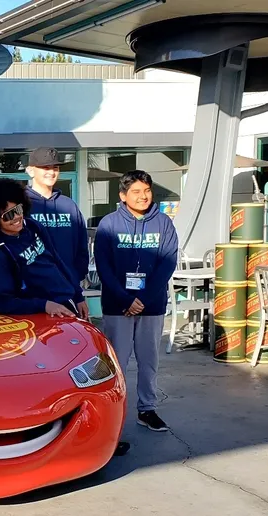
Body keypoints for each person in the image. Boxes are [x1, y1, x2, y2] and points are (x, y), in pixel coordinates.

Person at [93, 170, 178, 433]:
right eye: (136, 192)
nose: (143, 196)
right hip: (118, 305)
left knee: (149, 359)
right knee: (116, 361)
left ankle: (147, 409)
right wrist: (126, 298)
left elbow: (167, 263)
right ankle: (113, 413)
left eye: (147, 191)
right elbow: (103, 266)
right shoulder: (109, 224)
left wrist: (142, 298)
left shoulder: (164, 223)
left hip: (150, 305)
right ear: (123, 195)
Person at [0, 177, 88, 318]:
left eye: (18, 209)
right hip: (40, 317)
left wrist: (78, 295)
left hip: (67, 303)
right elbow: (4, 302)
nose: (16, 217)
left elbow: (57, 261)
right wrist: (45, 305)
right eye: (8, 215)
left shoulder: (32, 226)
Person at [24, 147, 90, 287]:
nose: (51, 172)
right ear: (30, 171)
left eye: (55, 168)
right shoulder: (21, 205)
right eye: (45, 168)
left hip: (68, 285)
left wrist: (76, 276)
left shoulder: (69, 205)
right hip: (33, 289)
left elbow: (81, 247)